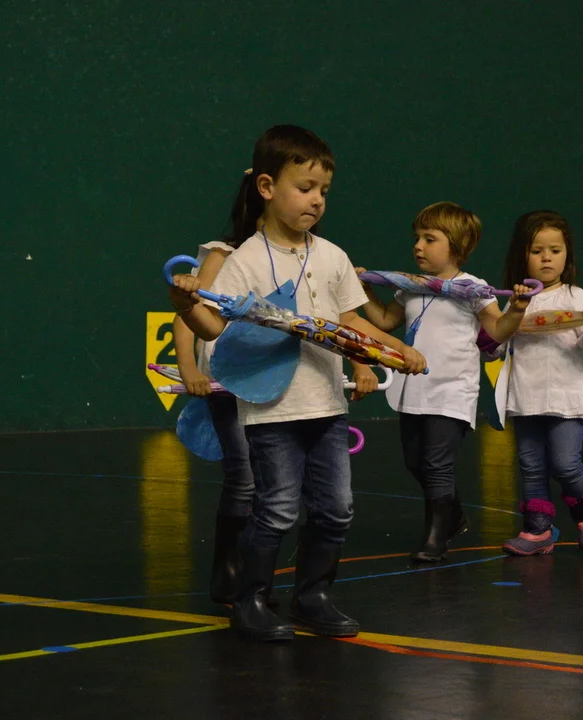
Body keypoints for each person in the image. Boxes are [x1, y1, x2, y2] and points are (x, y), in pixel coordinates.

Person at [171, 125, 426, 641]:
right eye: (305, 188)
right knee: (277, 509)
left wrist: (395, 348)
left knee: (336, 509)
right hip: (272, 412)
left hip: (327, 407)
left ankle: (313, 597)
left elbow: (351, 321)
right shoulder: (243, 260)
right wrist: (185, 302)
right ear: (267, 187)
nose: (316, 200)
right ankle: (251, 600)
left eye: (323, 191)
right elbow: (212, 327)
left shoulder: (332, 255)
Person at [357, 202, 532, 562]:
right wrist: (362, 290)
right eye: (416, 238)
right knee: (415, 462)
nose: (418, 246)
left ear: (456, 245)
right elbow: (385, 321)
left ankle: (435, 538)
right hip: (413, 390)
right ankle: (454, 515)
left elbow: (497, 331)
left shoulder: (474, 288)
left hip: (452, 391)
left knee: (437, 464)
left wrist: (516, 310)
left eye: (429, 239)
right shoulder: (411, 287)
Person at [493, 211, 583, 556]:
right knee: (531, 467)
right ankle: (538, 530)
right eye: (537, 251)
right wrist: (512, 314)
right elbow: (496, 345)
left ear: (567, 255)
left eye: (555, 250)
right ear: (522, 255)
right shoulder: (516, 300)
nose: (546, 258)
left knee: (565, 463)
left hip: (567, 399)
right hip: (526, 399)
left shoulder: (575, 295)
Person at [172, 239, 254, 605]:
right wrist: (189, 368)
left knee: (271, 482)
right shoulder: (223, 254)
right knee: (244, 476)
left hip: (274, 382)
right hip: (227, 383)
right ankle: (228, 572)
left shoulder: (300, 254)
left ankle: (255, 574)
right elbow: (188, 313)